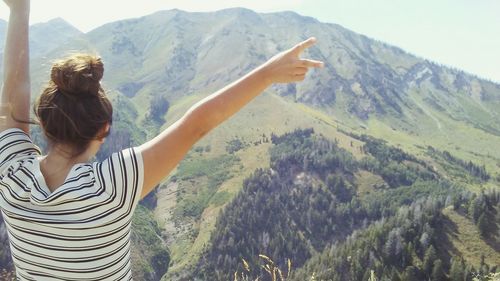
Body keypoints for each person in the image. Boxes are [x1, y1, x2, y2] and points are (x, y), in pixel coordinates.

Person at [0, 0, 324, 280]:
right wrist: (269, 73)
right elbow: (196, 124)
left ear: (43, 121)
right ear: (105, 129)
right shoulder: (111, 185)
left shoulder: (12, 176)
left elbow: (13, 100)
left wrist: (19, 10)